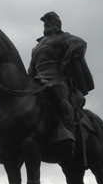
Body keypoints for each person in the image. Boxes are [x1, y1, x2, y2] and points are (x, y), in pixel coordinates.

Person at [28, 12, 94, 148]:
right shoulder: (36, 47)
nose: (46, 24)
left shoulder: (64, 37)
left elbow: (80, 43)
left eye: (50, 22)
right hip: (38, 81)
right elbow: (31, 71)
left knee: (56, 92)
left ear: (57, 24)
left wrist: (66, 61)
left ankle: (68, 132)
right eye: (45, 23)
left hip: (58, 80)